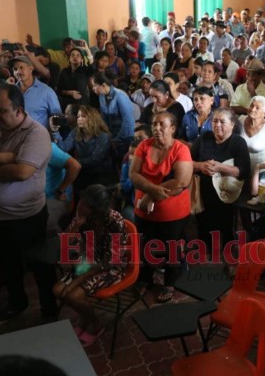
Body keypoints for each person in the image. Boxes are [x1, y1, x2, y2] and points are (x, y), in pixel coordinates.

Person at [0, 84, 57, 325]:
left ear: (18, 110)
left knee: (40, 265)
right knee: (8, 264)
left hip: (27, 218)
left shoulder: (36, 134)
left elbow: (20, 172)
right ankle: (17, 303)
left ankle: (49, 308)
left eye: (0, 110)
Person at [53, 184, 129, 346]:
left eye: (85, 204)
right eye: (82, 200)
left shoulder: (115, 222)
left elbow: (110, 261)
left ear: (96, 209)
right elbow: (65, 244)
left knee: (73, 294)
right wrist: (77, 225)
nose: (79, 205)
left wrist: (76, 281)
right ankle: (84, 315)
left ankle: (95, 323)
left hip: (110, 267)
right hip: (87, 262)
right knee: (57, 290)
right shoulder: (82, 216)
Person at [130, 112, 193, 302]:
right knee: (145, 245)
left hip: (172, 212)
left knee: (171, 248)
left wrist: (151, 195)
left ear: (172, 128)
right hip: (143, 209)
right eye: (154, 124)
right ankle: (144, 278)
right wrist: (150, 190)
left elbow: (181, 182)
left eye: (162, 125)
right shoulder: (144, 145)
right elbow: (133, 175)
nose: (157, 128)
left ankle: (169, 283)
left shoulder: (181, 149)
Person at [191, 108, 250, 257]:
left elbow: (243, 171)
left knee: (225, 223)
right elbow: (188, 162)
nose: (217, 125)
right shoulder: (204, 138)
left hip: (227, 192)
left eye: (222, 121)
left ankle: (227, 251)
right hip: (203, 190)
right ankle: (205, 249)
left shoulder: (238, 142)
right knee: (203, 222)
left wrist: (221, 167)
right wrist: (201, 166)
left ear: (232, 124)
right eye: (214, 121)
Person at [92, 71, 135, 162]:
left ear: (103, 85)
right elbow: (103, 118)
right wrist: (107, 135)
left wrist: (117, 140)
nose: (93, 88)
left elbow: (128, 122)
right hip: (112, 135)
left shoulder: (120, 95)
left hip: (125, 137)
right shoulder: (101, 97)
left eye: (94, 85)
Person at [10, 55, 61, 128]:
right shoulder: (11, 91)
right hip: (17, 136)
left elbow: (57, 118)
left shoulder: (46, 91)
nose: (18, 72)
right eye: (15, 69)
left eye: (21, 67)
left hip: (39, 137)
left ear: (31, 68)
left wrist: (54, 136)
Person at [239, 96, 265, 173]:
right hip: (240, 163)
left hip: (260, 168)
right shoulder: (241, 119)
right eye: (251, 106)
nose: (252, 109)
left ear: (264, 113)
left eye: (257, 108)